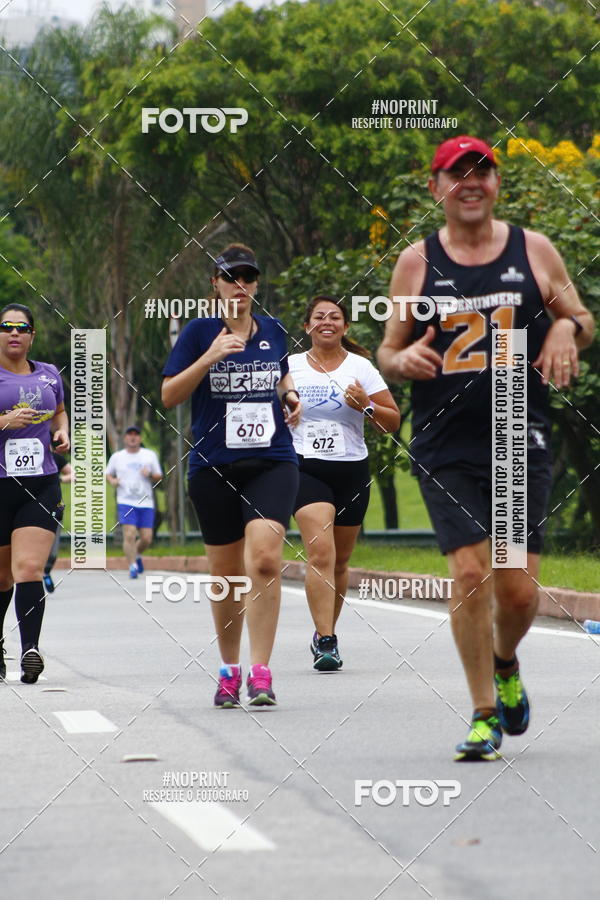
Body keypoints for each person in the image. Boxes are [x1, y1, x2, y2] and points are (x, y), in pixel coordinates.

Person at [377, 135, 594, 761]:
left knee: (519, 591)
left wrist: (560, 326)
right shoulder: (416, 263)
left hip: (516, 434)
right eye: (457, 173)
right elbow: (389, 348)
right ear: (436, 187)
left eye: (482, 171)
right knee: (470, 573)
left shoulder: (535, 250)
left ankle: (505, 663)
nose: (470, 183)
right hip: (444, 440)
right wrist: (404, 357)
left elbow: (582, 318)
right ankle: (481, 713)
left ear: (496, 183)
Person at [162, 243, 301, 707]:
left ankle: (261, 671)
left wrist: (291, 395)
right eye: (230, 277)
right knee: (226, 577)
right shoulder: (199, 333)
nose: (239, 286)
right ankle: (229, 669)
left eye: (247, 277)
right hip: (213, 466)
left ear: (256, 285)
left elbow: (281, 376)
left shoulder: (274, 331)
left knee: (262, 559)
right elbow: (168, 396)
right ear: (215, 284)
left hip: (272, 461)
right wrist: (208, 359)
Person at [289, 295, 400, 670]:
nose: (327, 321)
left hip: (351, 467)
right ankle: (326, 639)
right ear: (307, 327)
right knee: (321, 554)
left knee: (340, 561)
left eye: (334, 316)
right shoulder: (288, 368)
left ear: (345, 327)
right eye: (318, 316)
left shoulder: (361, 367)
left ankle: (325, 634)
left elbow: (392, 422)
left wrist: (365, 405)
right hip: (305, 467)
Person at [0, 303, 69, 683]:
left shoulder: (48, 374)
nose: (14, 333)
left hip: (39, 483)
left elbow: (59, 411)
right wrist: (4, 421)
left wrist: (63, 432)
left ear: (32, 335)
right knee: (1, 578)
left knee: (28, 568)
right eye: (6, 326)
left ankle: (30, 649)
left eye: (22, 328)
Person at [106, 426, 162, 578]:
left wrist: (149, 474)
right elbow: (108, 474)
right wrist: (113, 481)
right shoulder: (117, 457)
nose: (133, 437)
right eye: (129, 434)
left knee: (146, 538)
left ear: (140, 438)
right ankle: (132, 566)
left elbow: (158, 476)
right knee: (129, 534)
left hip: (145, 502)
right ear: (125, 438)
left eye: (136, 435)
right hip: (125, 501)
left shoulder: (149, 455)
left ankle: (135, 554)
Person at [42, 451, 73, 593]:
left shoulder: (56, 458)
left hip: (54, 506)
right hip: (30, 505)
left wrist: (58, 479)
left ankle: (46, 571)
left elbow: (74, 475)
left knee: (52, 550)